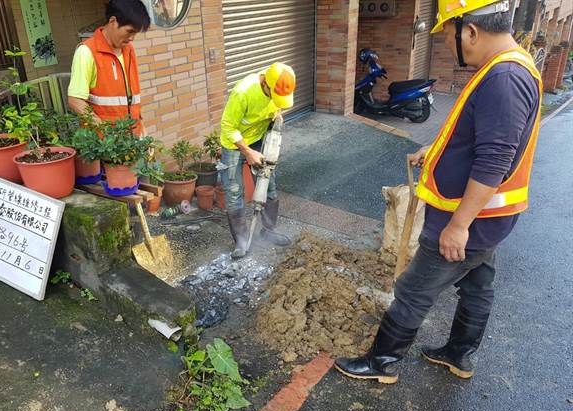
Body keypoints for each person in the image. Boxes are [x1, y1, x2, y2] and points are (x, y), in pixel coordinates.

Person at [335, 0, 542, 384]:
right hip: (492, 218)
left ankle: (382, 363)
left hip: (468, 217)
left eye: (447, 34)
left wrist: (459, 225)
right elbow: (478, 138)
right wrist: (433, 153)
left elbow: (495, 159)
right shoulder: (510, 67)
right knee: (478, 282)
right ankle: (458, 354)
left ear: (470, 31)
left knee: (414, 288)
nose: (448, 43)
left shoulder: (504, 79)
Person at [219, 62, 296, 259]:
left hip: (260, 138)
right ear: (265, 85)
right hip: (234, 143)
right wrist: (247, 152)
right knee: (234, 192)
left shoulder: (281, 83)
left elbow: (276, 106)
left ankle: (269, 231)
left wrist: (277, 115)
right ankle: (241, 241)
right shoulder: (243, 92)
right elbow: (227, 127)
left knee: (269, 185)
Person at [67, 0, 150, 136]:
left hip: (132, 140)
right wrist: (109, 134)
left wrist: (142, 131)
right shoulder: (87, 52)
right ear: (113, 21)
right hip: (104, 146)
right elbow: (75, 101)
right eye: (129, 31)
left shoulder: (128, 50)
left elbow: (131, 99)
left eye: (136, 33)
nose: (132, 38)